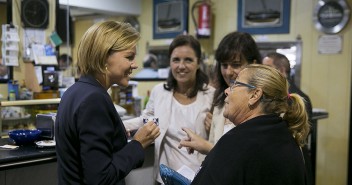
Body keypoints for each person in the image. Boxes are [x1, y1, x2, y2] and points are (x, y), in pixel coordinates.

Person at [55, 21, 160, 185]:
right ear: (104, 57)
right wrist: (138, 144)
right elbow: (100, 178)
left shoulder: (75, 91)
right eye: (129, 57)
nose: (135, 64)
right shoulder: (94, 99)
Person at [189, 64, 310, 185]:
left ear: (254, 95)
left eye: (235, 85)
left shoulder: (236, 142)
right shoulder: (289, 138)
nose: (226, 91)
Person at [124, 34, 215, 184]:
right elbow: (146, 120)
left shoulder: (211, 95)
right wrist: (121, 125)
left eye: (188, 60)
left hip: (200, 178)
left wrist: (214, 127)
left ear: (198, 63)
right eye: (176, 60)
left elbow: (221, 138)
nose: (181, 66)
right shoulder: (159, 92)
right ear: (170, 62)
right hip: (164, 178)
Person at [179, 31, 262, 155]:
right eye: (224, 65)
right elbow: (218, 147)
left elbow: (250, 158)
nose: (228, 72)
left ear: (254, 64)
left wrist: (207, 147)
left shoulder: (263, 106)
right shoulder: (220, 101)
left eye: (236, 65)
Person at [262, 52, 314, 185]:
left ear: (281, 70)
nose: (263, 73)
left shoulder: (298, 99)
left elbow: (302, 133)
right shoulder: (269, 96)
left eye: (267, 68)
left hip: (291, 163)